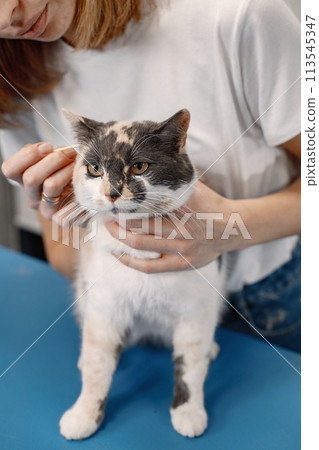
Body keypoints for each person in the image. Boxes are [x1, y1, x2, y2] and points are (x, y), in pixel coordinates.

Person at [0, 0, 301, 351]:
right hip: (133, 307)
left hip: (263, 300)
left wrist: (226, 231)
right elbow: (61, 252)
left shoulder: (239, 14)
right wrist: (74, 216)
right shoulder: (12, 67)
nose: (7, 17)